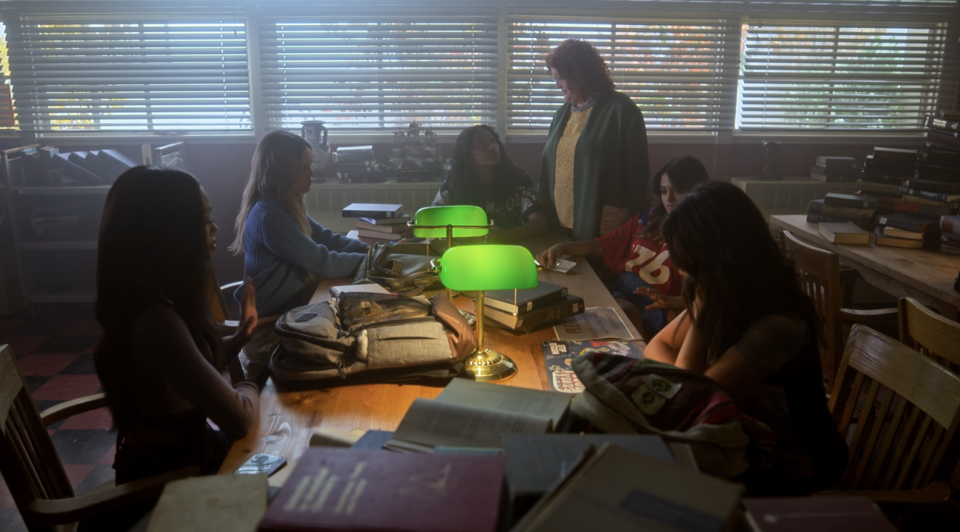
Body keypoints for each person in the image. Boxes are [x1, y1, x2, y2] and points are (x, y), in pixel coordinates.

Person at [644, 181, 848, 495]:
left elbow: (694, 403)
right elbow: (658, 346)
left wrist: (701, 319)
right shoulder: (730, 291)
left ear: (718, 257)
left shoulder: (776, 326)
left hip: (790, 470)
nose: (680, 270)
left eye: (688, 261)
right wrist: (687, 379)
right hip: (738, 443)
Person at [93, 167, 260, 487]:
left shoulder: (148, 300)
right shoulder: (157, 322)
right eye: (205, 219)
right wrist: (253, 380)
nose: (215, 228)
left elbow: (184, 375)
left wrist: (239, 340)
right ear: (169, 233)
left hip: (186, 465)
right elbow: (239, 419)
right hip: (168, 488)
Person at [537, 156, 710, 339]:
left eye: (678, 191)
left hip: (658, 306)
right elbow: (601, 244)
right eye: (664, 191)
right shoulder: (647, 219)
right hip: (621, 290)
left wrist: (675, 302)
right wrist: (562, 247)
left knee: (622, 314)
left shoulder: (705, 236)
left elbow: (712, 295)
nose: (669, 199)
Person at [230, 130, 368, 317]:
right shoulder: (270, 216)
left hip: (292, 309)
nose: (311, 173)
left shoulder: (284, 203)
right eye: (304, 168)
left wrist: (371, 251)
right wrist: (370, 261)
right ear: (283, 172)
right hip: (271, 322)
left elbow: (326, 238)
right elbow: (323, 263)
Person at [538, 38, 649, 241]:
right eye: (554, 78)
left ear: (580, 73)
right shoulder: (560, 115)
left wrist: (633, 224)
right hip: (558, 224)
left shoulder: (622, 111)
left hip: (601, 225)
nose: (557, 84)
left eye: (560, 77)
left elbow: (638, 177)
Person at [432, 125, 547, 243]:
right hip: (467, 250)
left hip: (513, 248)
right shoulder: (454, 183)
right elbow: (433, 219)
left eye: (493, 141)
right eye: (482, 144)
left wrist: (505, 235)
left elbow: (540, 222)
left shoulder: (518, 178)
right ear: (468, 154)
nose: (492, 147)